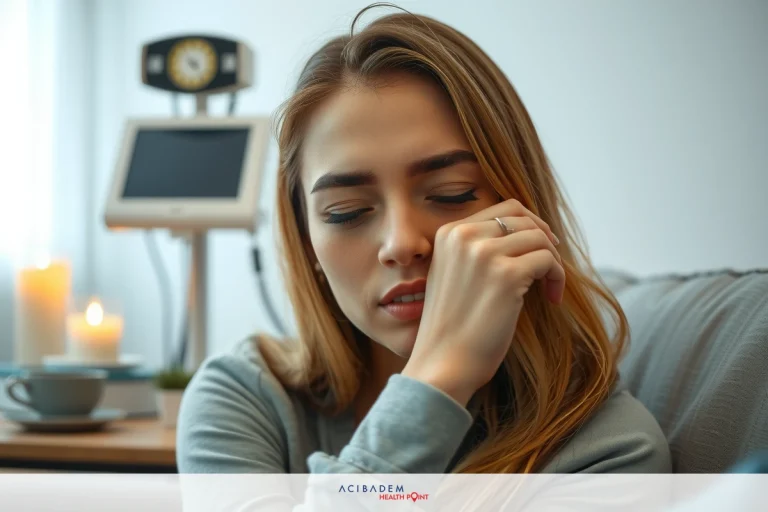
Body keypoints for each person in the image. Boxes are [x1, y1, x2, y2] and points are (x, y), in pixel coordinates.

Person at [177, 6, 671, 475]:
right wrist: (439, 377)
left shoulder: (609, 452)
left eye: (451, 194)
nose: (401, 243)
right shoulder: (241, 401)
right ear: (308, 243)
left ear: (524, 205)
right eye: (347, 212)